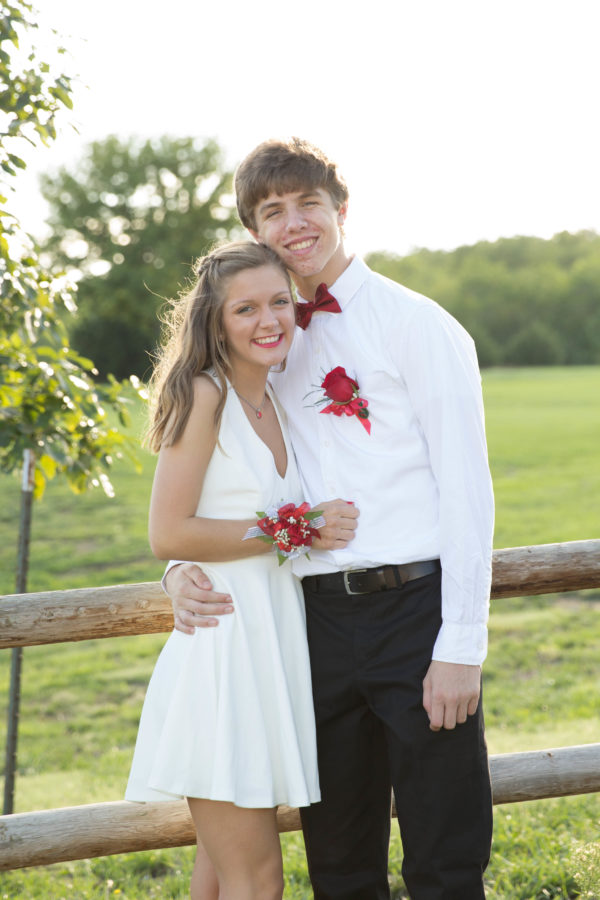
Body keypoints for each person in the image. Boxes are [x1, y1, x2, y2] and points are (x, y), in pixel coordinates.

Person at [164, 139, 495, 900]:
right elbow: (229, 478)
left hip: (416, 614)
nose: (295, 223)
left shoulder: (418, 325)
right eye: (271, 211)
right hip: (309, 628)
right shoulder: (268, 336)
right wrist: (178, 566)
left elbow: (468, 494)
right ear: (256, 230)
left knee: (444, 857)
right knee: (340, 865)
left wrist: (461, 646)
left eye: (308, 203)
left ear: (341, 210)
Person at [125, 240, 359, 900]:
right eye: (246, 308)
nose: (268, 320)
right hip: (224, 655)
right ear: (215, 320)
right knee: (258, 882)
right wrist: (297, 529)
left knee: (220, 876)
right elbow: (167, 530)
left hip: (273, 651)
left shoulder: (280, 398)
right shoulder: (207, 396)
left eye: (280, 302)